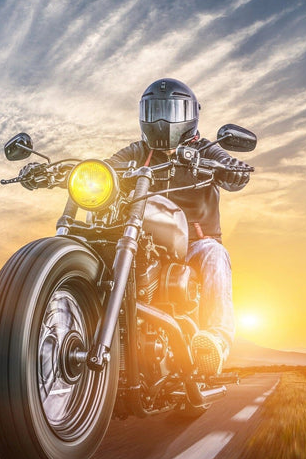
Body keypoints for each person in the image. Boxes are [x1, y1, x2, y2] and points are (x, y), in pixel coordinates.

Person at [106, 78, 252, 376]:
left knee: (215, 254)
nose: (163, 119)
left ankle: (215, 341)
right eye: (155, 110)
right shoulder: (137, 152)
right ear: (143, 114)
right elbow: (108, 165)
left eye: (171, 110)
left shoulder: (206, 150)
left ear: (190, 114)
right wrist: (77, 170)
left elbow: (224, 160)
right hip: (144, 244)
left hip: (194, 246)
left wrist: (233, 169)